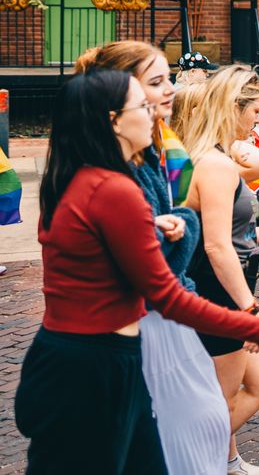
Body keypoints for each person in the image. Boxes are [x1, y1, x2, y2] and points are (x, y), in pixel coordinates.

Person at [14, 70, 259, 475]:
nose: (157, 113)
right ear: (113, 120)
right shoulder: (112, 189)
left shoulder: (90, 180)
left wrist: (159, 228)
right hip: (89, 364)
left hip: (96, 354)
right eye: (145, 105)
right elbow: (168, 294)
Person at [74, 41, 228, 475]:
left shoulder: (148, 149)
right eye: (156, 83)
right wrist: (184, 223)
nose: (171, 90)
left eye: (169, 79)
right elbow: (154, 259)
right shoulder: (111, 167)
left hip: (162, 316)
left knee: (199, 427)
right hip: (143, 322)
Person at [182, 66, 259, 475]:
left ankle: (226, 460)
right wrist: (249, 310)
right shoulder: (216, 165)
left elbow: (230, 236)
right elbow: (217, 246)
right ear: (231, 109)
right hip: (220, 291)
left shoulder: (211, 159)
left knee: (255, 384)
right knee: (226, 395)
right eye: (255, 110)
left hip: (218, 286)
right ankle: (185, 459)